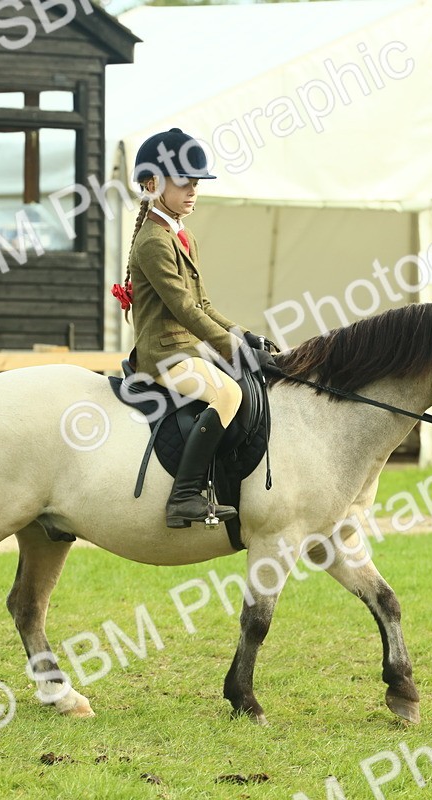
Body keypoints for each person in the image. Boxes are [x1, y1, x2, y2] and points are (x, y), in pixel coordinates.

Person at [112, 127, 275, 529]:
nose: (192, 190)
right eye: (182, 182)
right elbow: (184, 310)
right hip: (164, 354)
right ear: (152, 184)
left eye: (196, 182)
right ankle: (183, 495)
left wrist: (242, 335)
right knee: (228, 394)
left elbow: (203, 305)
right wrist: (231, 349)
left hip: (186, 349)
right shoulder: (152, 241)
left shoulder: (181, 237)